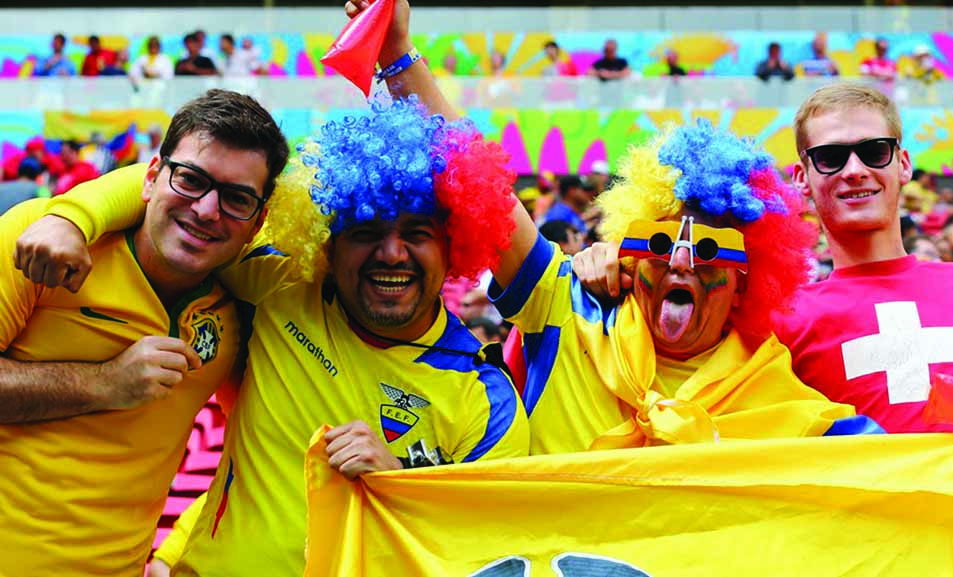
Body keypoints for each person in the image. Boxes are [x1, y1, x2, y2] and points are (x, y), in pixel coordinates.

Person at [14, 2, 529, 573]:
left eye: (417, 234)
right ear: (328, 245)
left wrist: (403, 487)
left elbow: (493, 548)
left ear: (456, 244)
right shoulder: (276, 286)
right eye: (364, 230)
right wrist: (71, 217)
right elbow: (187, 196)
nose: (390, 252)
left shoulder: (489, 400)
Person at [0, 89, 289, 576]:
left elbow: (260, 456)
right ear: (152, 177)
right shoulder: (40, 240)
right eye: (191, 180)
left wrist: (176, 553)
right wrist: (104, 383)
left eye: (236, 198)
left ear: (257, 220)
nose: (206, 210)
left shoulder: (237, 311)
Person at [498, 119, 874, 455]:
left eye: (710, 251)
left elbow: (894, 470)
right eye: (659, 243)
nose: (680, 262)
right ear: (632, 255)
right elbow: (489, 200)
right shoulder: (567, 308)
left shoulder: (778, 396)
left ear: (743, 284)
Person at [778, 82, 953, 433]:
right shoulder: (784, 319)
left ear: (903, 164)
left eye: (875, 151)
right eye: (830, 157)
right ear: (802, 177)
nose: (854, 170)